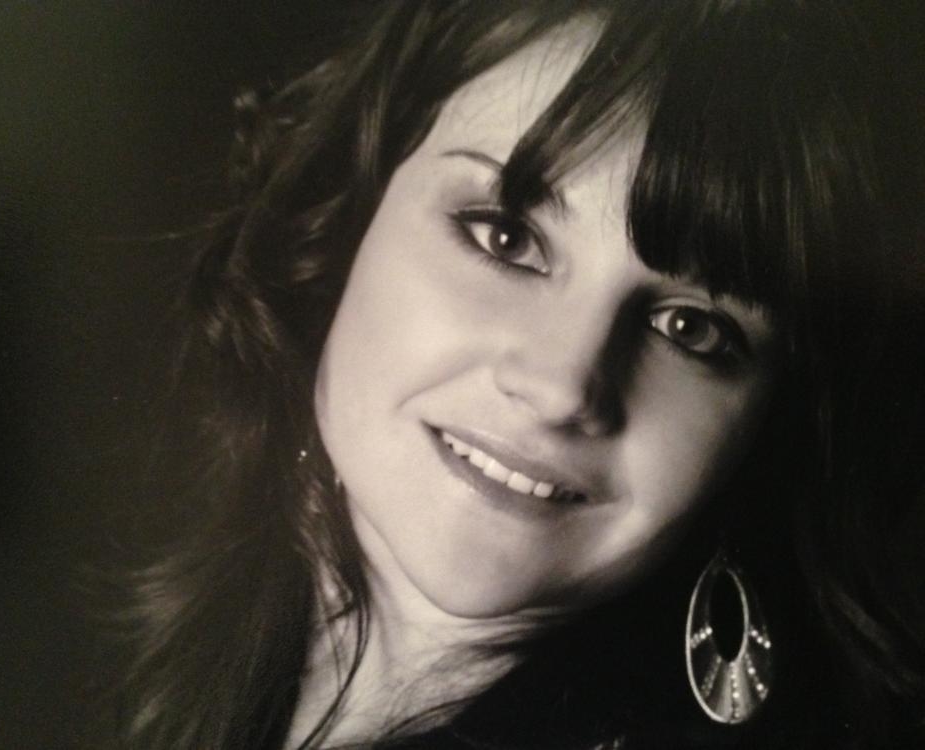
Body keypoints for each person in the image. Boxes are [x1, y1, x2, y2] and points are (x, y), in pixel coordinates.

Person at [114, 1, 925, 748]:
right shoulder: (205, 618)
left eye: (691, 328)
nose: (563, 387)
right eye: (505, 237)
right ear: (349, 209)